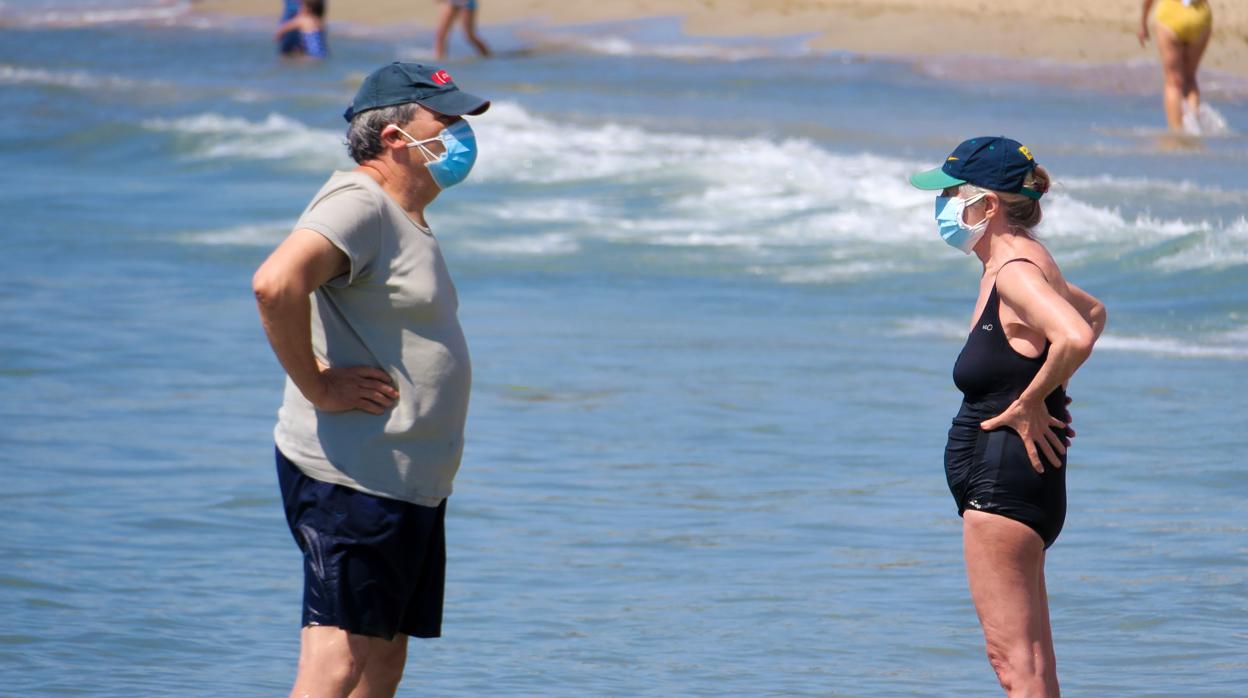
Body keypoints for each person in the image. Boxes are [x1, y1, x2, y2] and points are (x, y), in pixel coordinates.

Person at [252, 62, 488, 697]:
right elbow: (275, 284)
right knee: (338, 660)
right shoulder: (359, 202)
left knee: (382, 658)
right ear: (393, 137)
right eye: (447, 120)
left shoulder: (401, 215)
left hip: (405, 483)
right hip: (351, 478)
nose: (461, 133)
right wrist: (318, 385)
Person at [910, 137, 1106, 697]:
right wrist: (1050, 391)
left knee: (1010, 661)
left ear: (987, 205)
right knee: (1034, 662)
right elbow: (1091, 311)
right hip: (1019, 479)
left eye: (951, 194)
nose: (942, 207)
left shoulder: (1016, 272)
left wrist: (1031, 401)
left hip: (1004, 481)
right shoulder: (1019, 260)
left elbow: (1076, 333)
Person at [1138, 0, 1213, 133]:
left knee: (1173, 82)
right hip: (1199, 16)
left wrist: (1143, 21)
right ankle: (1194, 131)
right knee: (1190, 78)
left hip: (1171, 14)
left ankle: (1177, 135)